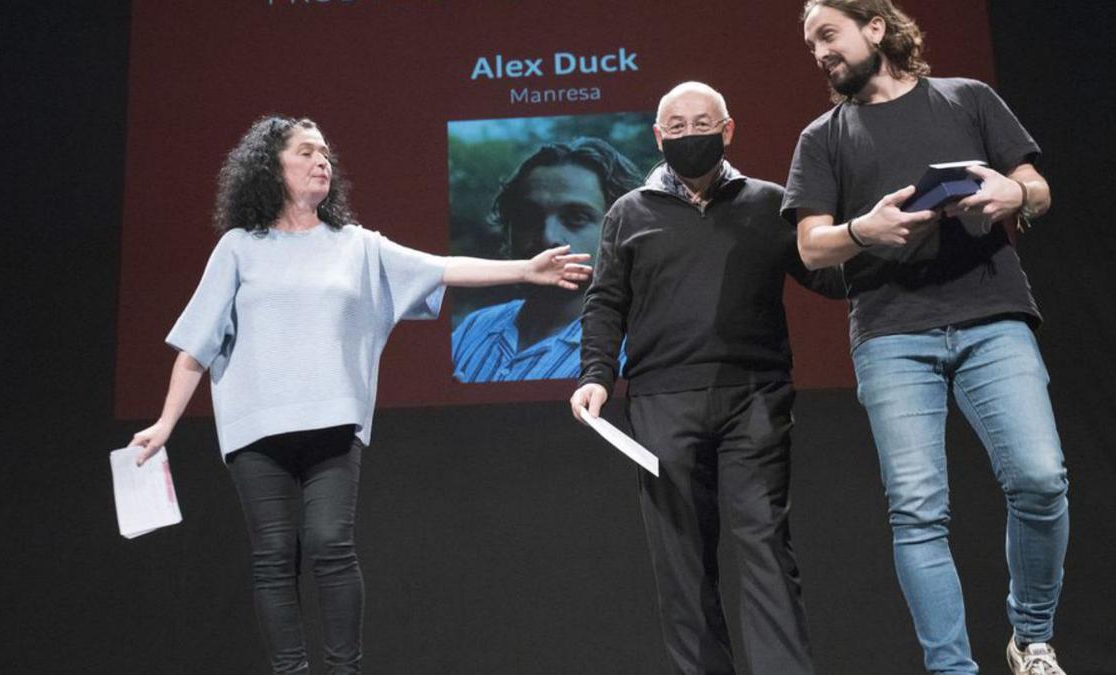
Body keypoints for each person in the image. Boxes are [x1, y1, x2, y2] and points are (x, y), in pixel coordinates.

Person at [128, 115, 591, 675]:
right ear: (271, 168)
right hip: (255, 431)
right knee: (274, 556)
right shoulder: (238, 249)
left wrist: (525, 269)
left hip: (333, 424)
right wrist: (164, 423)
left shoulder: (356, 246)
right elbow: (195, 348)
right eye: (305, 152)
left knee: (329, 544)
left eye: (325, 152)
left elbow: (442, 268)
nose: (322, 160)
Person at [784, 2, 1069, 674]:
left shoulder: (967, 98)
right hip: (890, 331)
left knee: (1041, 477)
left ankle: (1031, 639)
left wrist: (1010, 191)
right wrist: (864, 231)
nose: (820, 52)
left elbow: (1037, 186)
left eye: (829, 35)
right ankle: (951, 668)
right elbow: (809, 244)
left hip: (990, 313)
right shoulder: (821, 137)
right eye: (811, 44)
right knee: (917, 510)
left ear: (875, 28)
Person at [570, 82, 844, 675]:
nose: (689, 133)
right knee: (682, 560)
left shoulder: (771, 203)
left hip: (756, 397)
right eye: (676, 124)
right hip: (662, 403)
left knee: (766, 547)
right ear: (658, 136)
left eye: (702, 123)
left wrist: (876, 237)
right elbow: (606, 302)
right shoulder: (628, 213)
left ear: (728, 130)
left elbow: (828, 276)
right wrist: (596, 374)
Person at [451, 137, 638, 382]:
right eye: (528, 217)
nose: (547, 237)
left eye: (576, 217)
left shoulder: (634, 351)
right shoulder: (474, 327)